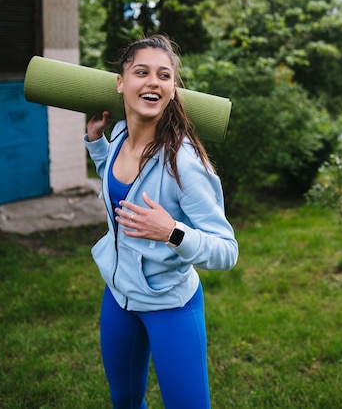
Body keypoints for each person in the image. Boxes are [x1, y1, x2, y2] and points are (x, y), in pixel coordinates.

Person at [84, 34, 238, 409]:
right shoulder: (119, 135)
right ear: (121, 82)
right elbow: (122, 187)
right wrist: (96, 144)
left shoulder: (184, 164)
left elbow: (227, 251)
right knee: (124, 399)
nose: (153, 81)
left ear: (172, 90)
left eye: (164, 75)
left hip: (170, 304)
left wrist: (171, 232)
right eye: (142, 72)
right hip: (119, 296)